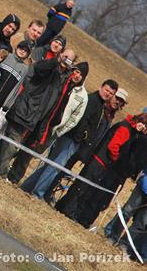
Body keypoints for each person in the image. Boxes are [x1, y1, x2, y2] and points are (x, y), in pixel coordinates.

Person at [0, 49, 76, 178]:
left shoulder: (64, 78)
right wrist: (56, 60)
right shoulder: (49, 66)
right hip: (25, 109)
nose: (65, 60)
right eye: (65, 56)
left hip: (35, 117)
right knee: (12, 142)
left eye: (69, 59)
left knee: (8, 141)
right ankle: (1, 172)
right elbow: (39, 68)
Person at [18, 65, 97, 200]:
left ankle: (23, 182)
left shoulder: (82, 96)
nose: (76, 75)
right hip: (42, 122)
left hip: (55, 130)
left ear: (83, 78)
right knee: (23, 146)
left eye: (80, 74)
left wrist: (59, 131)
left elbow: (74, 119)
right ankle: (17, 177)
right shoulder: (62, 81)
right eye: (75, 71)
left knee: (37, 155)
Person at [56, 112, 147, 228]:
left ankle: (69, 209)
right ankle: (67, 209)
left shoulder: (132, 132)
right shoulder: (126, 128)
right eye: (143, 123)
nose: (143, 126)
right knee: (82, 187)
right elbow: (113, 146)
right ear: (138, 119)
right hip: (101, 161)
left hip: (103, 162)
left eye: (146, 126)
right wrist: (116, 159)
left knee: (86, 189)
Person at [44, 87, 129, 205]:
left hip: (85, 150)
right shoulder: (100, 107)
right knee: (59, 167)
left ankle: (48, 192)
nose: (118, 102)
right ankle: (44, 191)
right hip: (77, 143)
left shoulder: (110, 115)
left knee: (63, 171)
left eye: (121, 101)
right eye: (117, 98)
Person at [105, 170, 146, 244]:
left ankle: (124, 243)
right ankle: (113, 236)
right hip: (144, 186)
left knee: (141, 222)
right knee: (127, 212)